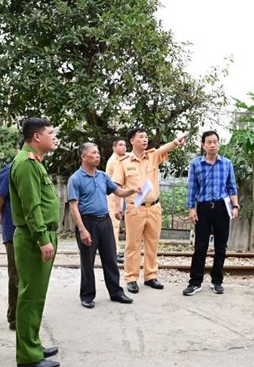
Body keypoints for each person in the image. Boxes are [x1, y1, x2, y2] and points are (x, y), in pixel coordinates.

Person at [9, 118, 61, 367]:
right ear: (37, 137)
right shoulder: (27, 164)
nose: (54, 137)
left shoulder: (35, 162)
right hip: (34, 239)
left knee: (35, 296)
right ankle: (28, 356)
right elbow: (31, 207)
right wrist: (42, 239)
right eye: (50, 133)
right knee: (30, 297)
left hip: (42, 236)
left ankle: (32, 344)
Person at [111, 127, 186, 293]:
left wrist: (175, 142)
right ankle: (131, 278)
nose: (145, 140)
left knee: (152, 243)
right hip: (134, 208)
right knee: (133, 244)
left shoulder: (152, 156)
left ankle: (151, 276)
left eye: (146, 137)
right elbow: (116, 185)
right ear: (132, 141)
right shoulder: (123, 163)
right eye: (141, 137)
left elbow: (163, 149)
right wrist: (117, 207)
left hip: (154, 207)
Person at [68, 143, 141, 308]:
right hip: (87, 223)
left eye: (98, 152)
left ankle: (116, 292)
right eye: (93, 153)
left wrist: (133, 189)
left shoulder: (102, 176)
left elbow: (119, 192)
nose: (98, 155)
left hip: (105, 222)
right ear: (83, 156)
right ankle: (87, 295)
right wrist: (82, 230)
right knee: (87, 262)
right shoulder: (75, 179)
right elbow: (73, 206)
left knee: (110, 259)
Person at [183, 130, 239, 296]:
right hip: (203, 208)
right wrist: (191, 209)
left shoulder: (227, 164)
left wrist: (235, 206)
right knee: (200, 247)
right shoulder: (196, 164)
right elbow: (192, 188)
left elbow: (231, 186)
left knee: (221, 247)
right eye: (209, 142)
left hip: (222, 207)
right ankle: (195, 282)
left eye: (215, 141)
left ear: (219, 144)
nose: (212, 145)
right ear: (203, 145)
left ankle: (217, 281)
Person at [0, 161, 18, 331]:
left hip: (33, 233)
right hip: (14, 231)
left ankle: (24, 315)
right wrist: (4, 215)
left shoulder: (37, 166)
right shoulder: (10, 169)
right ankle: (14, 318)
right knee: (17, 276)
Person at [106, 137, 128, 264]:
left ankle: (116, 251)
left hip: (120, 193)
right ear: (114, 147)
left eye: (125, 145)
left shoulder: (120, 159)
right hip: (113, 194)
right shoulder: (114, 161)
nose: (124, 147)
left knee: (117, 225)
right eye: (121, 145)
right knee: (114, 224)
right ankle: (113, 252)